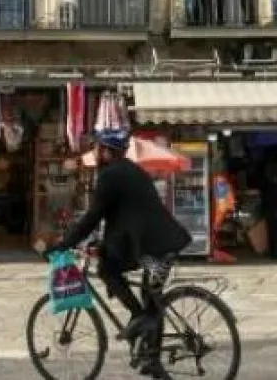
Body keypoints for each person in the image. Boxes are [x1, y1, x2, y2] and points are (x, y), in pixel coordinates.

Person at [48, 129, 191, 379]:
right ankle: (152, 359)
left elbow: (93, 216)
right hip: (159, 244)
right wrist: (101, 243)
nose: (96, 153)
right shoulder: (130, 170)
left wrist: (64, 243)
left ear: (105, 151)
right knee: (152, 301)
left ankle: (138, 321)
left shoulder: (111, 175)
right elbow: (118, 216)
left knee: (108, 270)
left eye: (98, 149)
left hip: (154, 247)